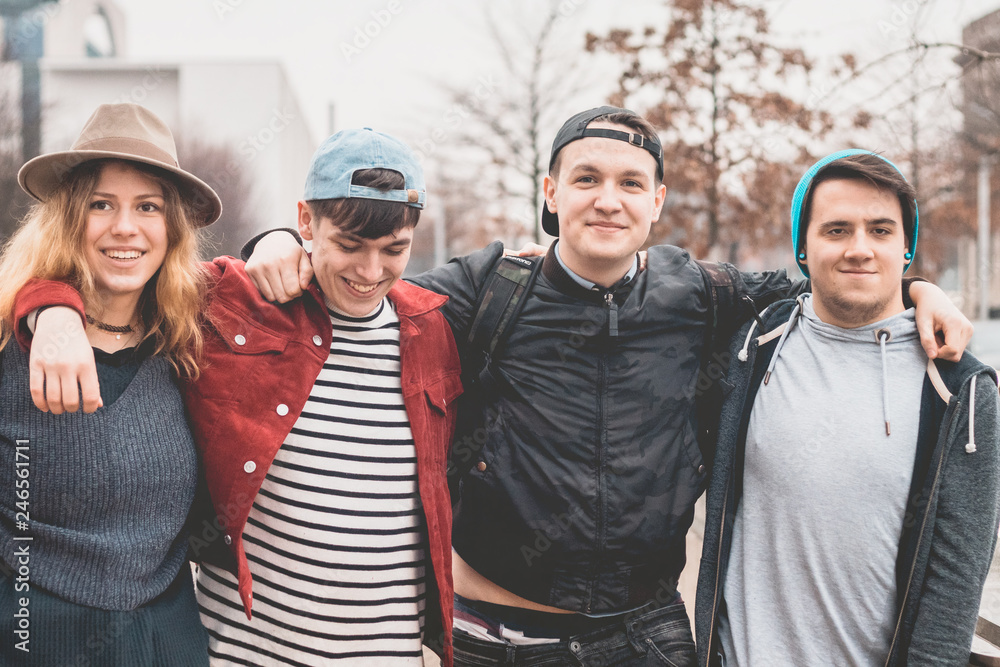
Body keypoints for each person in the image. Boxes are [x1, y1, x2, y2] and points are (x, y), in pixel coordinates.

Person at [242, 107, 973, 666]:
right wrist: (275, 242)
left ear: (657, 201)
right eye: (586, 179)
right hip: (497, 636)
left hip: (645, 635)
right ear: (552, 193)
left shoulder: (698, 292)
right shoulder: (485, 288)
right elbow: (362, 277)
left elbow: (833, 280)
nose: (607, 200)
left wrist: (920, 287)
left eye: (630, 183)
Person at [16, 127, 461, 665]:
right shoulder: (238, 306)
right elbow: (127, 275)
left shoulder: (435, 329)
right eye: (348, 245)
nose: (370, 272)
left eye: (395, 250)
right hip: (243, 652)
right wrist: (52, 308)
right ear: (305, 223)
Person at [694, 150, 1000, 666]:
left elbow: (954, 588)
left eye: (881, 231)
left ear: (907, 247)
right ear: (803, 248)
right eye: (836, 230)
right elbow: (639, 286)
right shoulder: (753, 346)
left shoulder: (957, 389)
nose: (860, 249)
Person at [0, 103, 220, 664]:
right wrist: (46, 310)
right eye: (102, 205)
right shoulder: (10, 343)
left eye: (147, 206)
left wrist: (276, 238)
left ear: (172, 226)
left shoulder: (193, 342)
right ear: (71, 219)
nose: (125, 227)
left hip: (167, 639)